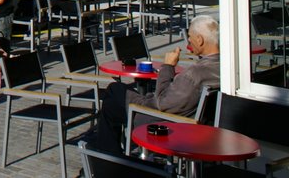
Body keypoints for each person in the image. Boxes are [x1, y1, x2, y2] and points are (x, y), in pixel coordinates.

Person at [93, 15, 221, 154]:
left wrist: (168, 66)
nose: (188, 41)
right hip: (191, 120)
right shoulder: (223, 67)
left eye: (190, 36)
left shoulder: (194, 74)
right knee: (117, 94)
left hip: (166, 124)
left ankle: (108, 159)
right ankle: (108, 154)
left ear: (200, 40)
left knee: (113, 92)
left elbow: (162, 103)